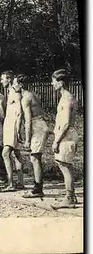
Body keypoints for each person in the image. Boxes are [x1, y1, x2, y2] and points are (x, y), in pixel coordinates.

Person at [12, 74, 50, 198]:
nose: (13, 85)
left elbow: (28, 120)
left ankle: (38, 188)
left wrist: (27, 140)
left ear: (21, 84)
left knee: (34, 157)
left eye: (15, 83)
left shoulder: (26, 98)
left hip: (36, 125)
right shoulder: (32, 94)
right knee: (35, 157)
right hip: (40, 123)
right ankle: (38, 186)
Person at [50, 69, 80, 208]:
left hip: (67, 136)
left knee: (65, 166)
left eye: (54, 81)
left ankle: (69, 197)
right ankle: (71, 196)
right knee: (63, 164)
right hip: (64, 135)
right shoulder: (64, 97)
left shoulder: (67, 98)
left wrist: (57, 141)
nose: (52, 84)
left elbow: (67, 122)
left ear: (61, 82)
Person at [0, 71, 25, 191]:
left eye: (3, 79)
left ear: (9, 79)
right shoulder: (10, 92)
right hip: (9, 124)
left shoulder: (15, 92)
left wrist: (18, 129)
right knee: (16, 153)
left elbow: (20, 113)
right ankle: (20, 182)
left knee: (5, 153)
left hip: (13, 125)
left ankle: (11, 184)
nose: (1, 81)